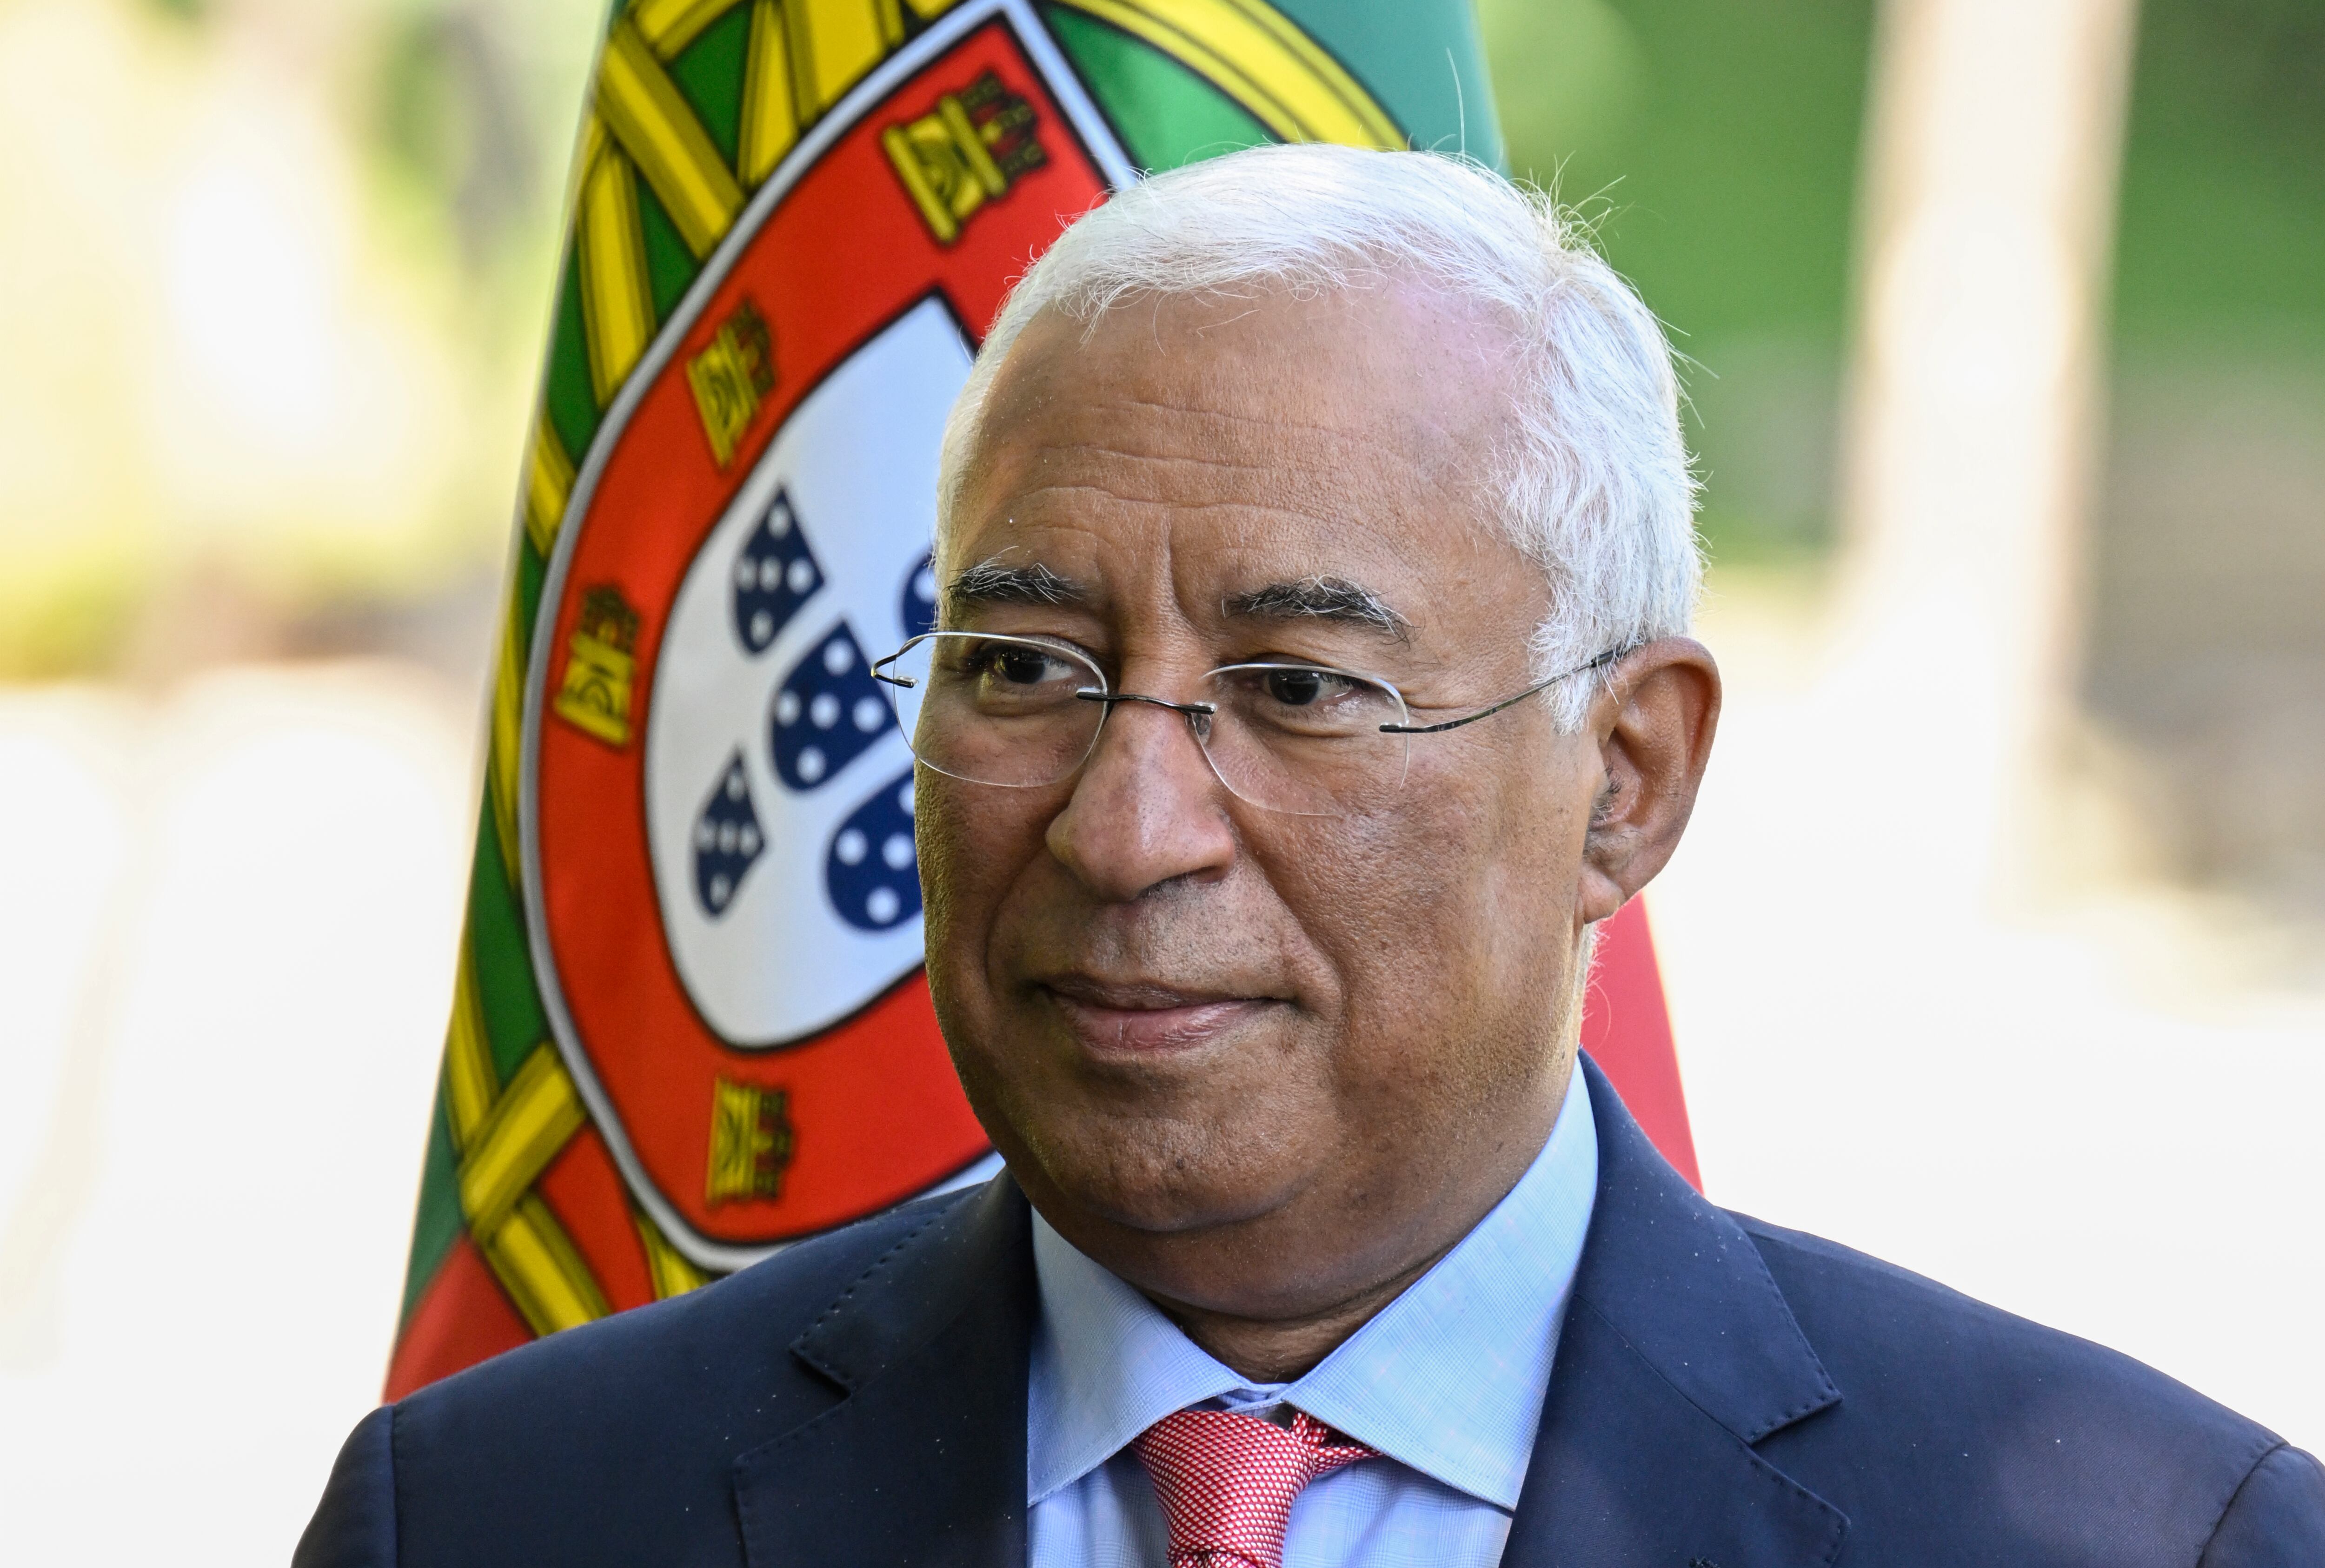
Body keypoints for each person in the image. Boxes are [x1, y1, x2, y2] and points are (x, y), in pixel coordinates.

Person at [296, 146, 2324, 1567]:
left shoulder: (2134, 1536)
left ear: (1622, 777)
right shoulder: (491, 1514)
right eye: (1022, 664)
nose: (1123, 824)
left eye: (1294, 686)